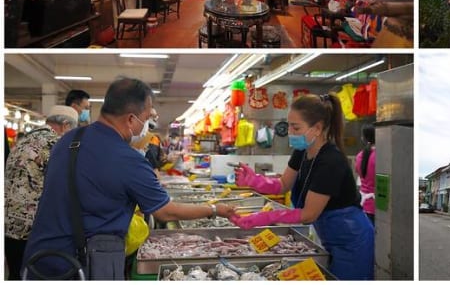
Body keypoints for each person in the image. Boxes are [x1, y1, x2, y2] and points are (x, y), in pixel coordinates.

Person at [22, 77, 237, 280]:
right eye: (145, 119)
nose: (146, 127)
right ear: (131, 119)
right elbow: (165, 211)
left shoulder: (68, 139)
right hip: (82, 266)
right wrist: (215, 209)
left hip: (38, 259)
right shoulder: (128, 159)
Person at [231, 93, 374, 280]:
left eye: (296, 127)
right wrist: (253, 181)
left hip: (352, 240)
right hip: (328, 235)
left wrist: (265, 217)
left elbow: (308, 214)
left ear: (317, 128)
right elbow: (282, 185)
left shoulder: (331, 161)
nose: (290, 132)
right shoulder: (302, 151)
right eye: (289, 125)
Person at [5, 105, 78, 280]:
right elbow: (65, 183)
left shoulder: (24, 142)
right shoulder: (55, 143)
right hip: (33, 228)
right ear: (66, 125)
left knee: (15, 275)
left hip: (9, 224)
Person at [354, 124, 376, 225]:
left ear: (363, 138)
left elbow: (358, 173)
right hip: (377, 205)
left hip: (363, 205)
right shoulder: (380, 155)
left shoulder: (359, 156)